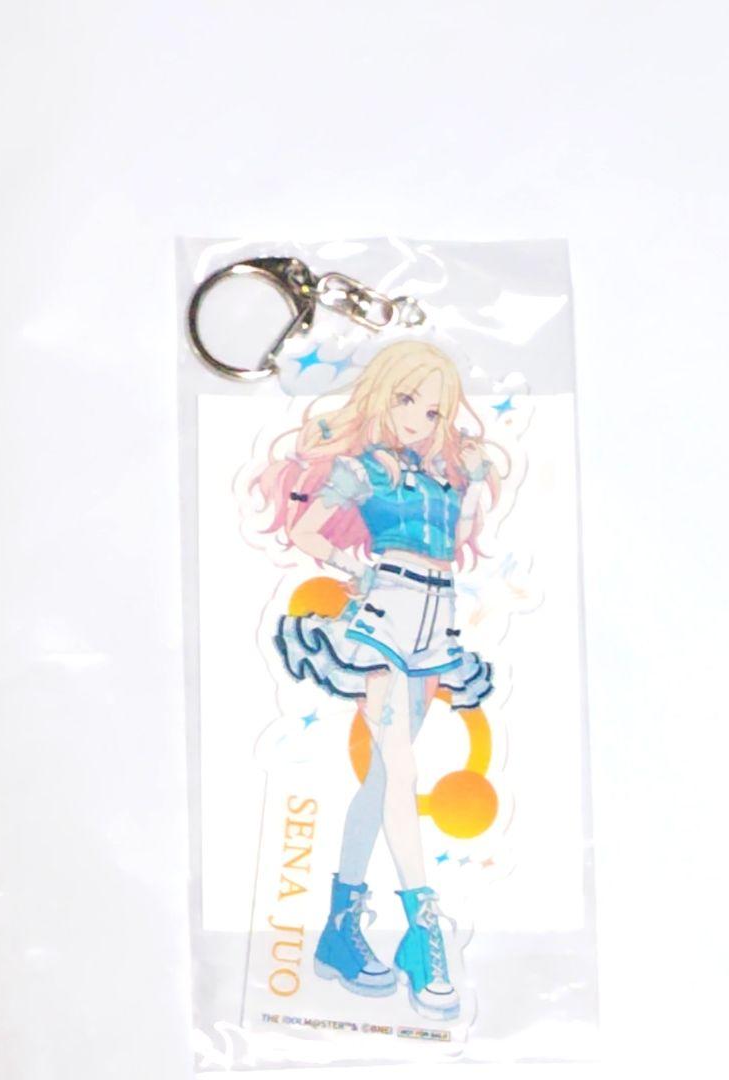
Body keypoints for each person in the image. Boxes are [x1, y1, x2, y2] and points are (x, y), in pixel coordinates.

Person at [253, 340, 500, 1021]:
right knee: (401, 768)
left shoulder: (445, 477)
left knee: (384, 779)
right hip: (387, 619)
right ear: (383, 396)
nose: (418, 419)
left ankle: (339, 930)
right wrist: (355, 570)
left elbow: (462, 533)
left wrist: (476, 482)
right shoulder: (366, 470)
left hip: (436, 628)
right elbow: (308, 531)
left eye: (433, 410)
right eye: (406, 401)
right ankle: (423, 928)